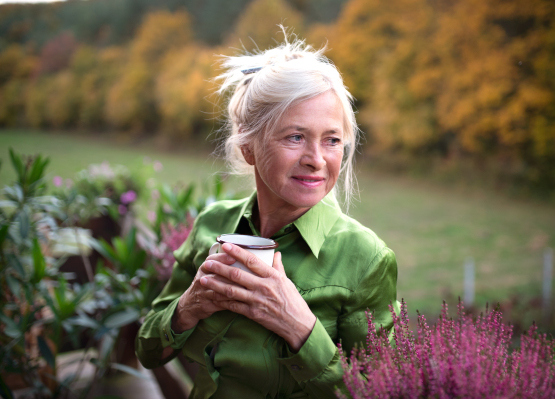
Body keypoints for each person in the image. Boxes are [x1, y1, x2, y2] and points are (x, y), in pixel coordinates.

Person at [135, 32, 399, 399]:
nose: (317, 159)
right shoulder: (211, 226)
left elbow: (378, 393)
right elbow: (148, 351)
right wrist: (189, 306)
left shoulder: (367, 259)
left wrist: (300, 328)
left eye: (332, 140)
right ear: (248, 148)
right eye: (295, 137)